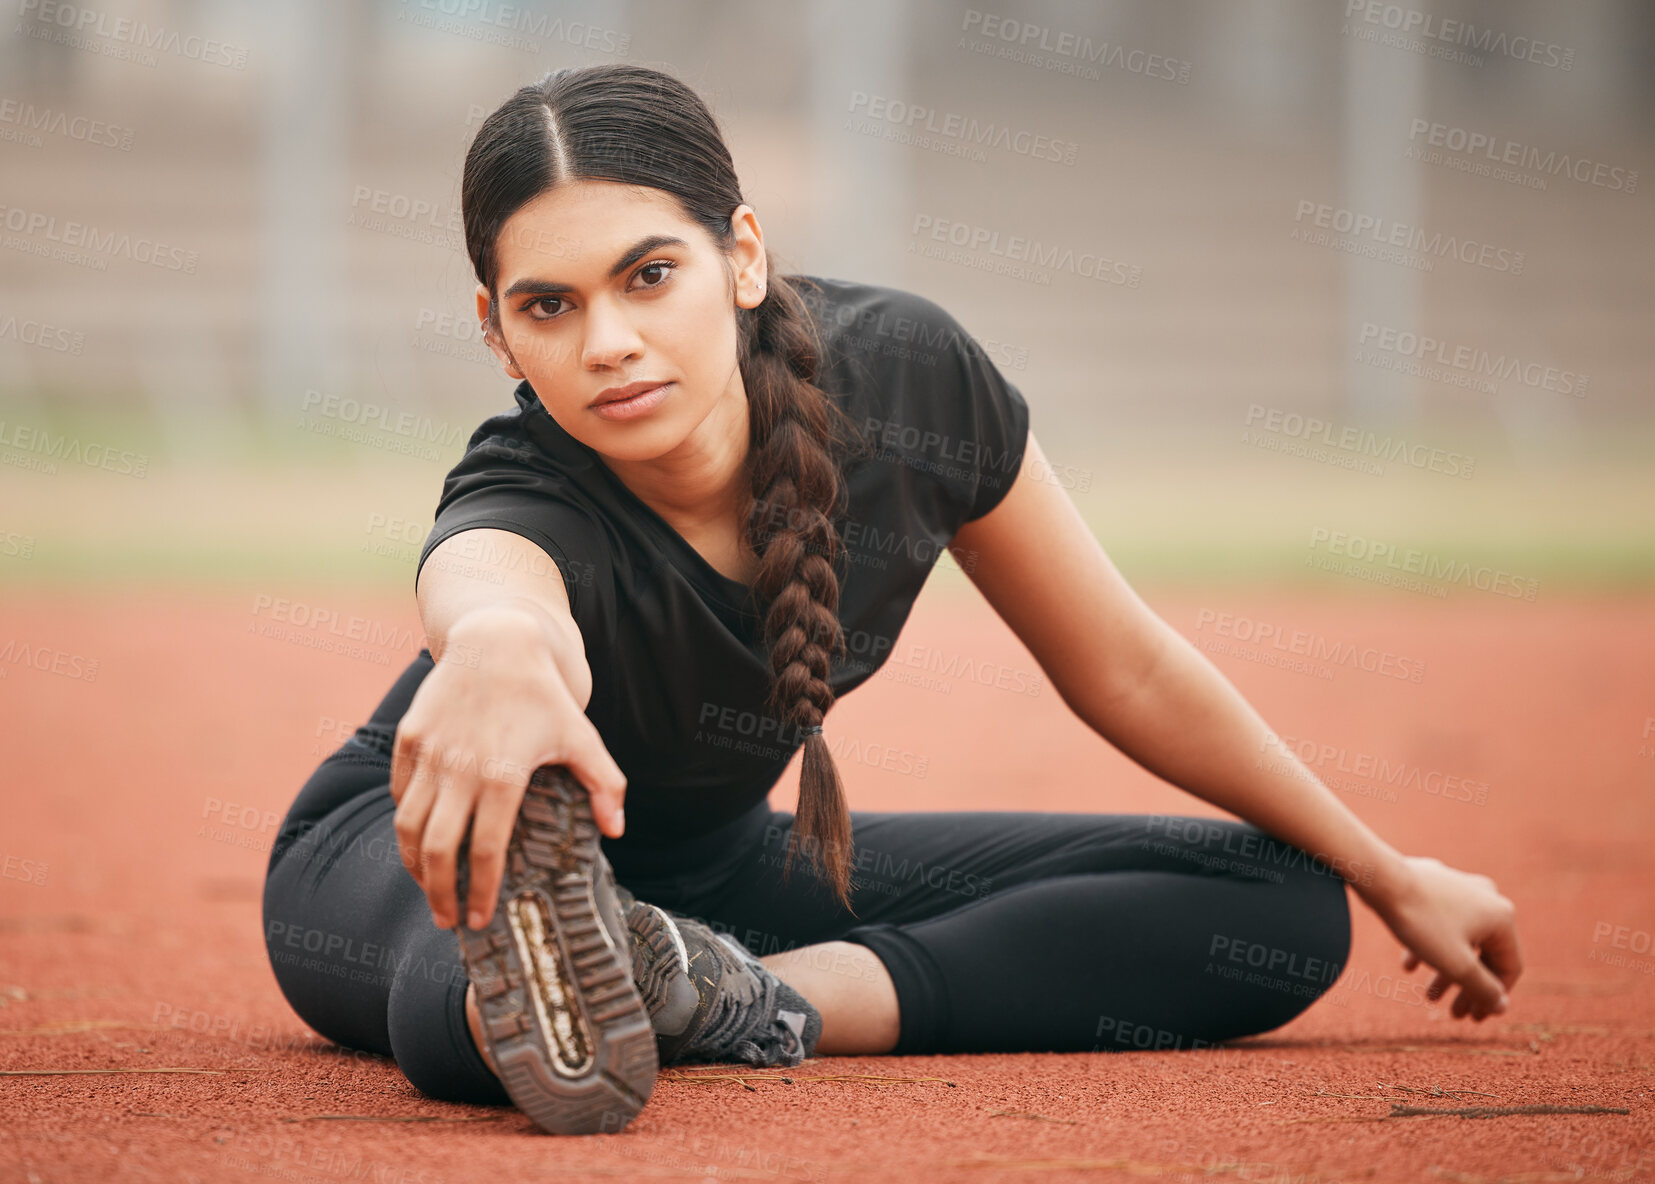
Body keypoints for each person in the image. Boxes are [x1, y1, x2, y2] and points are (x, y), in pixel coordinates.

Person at [262, 63, 1523, 1135]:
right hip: (401, 863)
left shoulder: (911, 379)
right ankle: (581, 978)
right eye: (550, 305)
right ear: (498, 335)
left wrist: (1386, 867)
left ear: (740, 257)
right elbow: (490, 581)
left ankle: (742, 992)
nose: (605, 342)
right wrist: (490, 650)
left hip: (711, 879)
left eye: (647, 275)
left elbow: (1123, 665)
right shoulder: (523, 481)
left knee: (1284, 905)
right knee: (479, 1000)